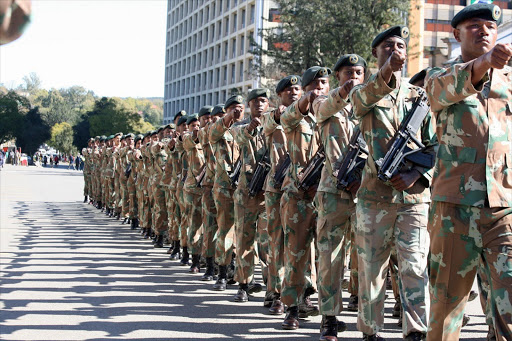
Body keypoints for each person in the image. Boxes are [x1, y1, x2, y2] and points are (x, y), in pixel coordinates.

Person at [424, 3, 512, 340]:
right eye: (474, 25)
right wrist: (485, 63)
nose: (484, 31)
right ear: (456, 33)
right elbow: (444, 90)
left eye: (489, 26)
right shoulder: (439, 77)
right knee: (447, 306)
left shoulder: (508, 83)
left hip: (503, 207)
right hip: (454, 210)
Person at [350, 25, 437, 341]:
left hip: (414, 201)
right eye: (387, 46)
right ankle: (370, 331)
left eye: (400, 45)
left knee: (414, 267)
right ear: (375, 53)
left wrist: (417, 174)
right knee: (372, 269)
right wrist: (387, 70)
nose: (395, 50)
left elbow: (437, 144)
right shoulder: (363, 93)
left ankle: (416, 331)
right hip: (374, 198)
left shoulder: (420, 98)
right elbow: (359, 105)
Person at [311, 54, 367, 341]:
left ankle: (369, 323)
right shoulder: (324, 103)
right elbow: (325, 106)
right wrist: (345, 91)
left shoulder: (370, 106)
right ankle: (329, 318)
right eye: (347, 73)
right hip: (333, 193)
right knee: (330, 257)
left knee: (368, 259)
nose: (353, 77)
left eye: (358, 72)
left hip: (366, 193)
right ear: (337, 77)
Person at [274, 66, 329, 330]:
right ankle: (292, 308)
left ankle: (327, 311)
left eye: (324, 84)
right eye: (315, 84)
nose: (320, 88)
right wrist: (307, 100)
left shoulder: (334, 114)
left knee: (328, 256)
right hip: (298, 195)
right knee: (296, 254)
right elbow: (286, 119)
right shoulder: (295, 116)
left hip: (328, 194)